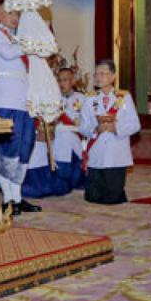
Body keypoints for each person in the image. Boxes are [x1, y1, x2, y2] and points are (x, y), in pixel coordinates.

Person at [0, 6, 41, 214]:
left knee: (25, 147)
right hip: (5, 96)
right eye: (9, 13)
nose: (14, 17)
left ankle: (17, 197)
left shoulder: (19, 38)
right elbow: (7, 54)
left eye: (18, 13)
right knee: (7, 147)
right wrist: (31, 43)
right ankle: (7, 198)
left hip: (25, 97)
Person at [80, 60, 140, 204]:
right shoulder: (89, 99)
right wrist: (95, 129)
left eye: (103, 73)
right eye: (96, 74)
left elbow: (135, 125)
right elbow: (82, 126)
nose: (98, 77)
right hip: (96, 153)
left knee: (113, 199)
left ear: (113, 76)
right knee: (93, 197)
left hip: (116, 153)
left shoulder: (124, 97)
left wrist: (116, 128)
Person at [22, 67, 87, 198]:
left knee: (64, 138)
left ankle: (64, 173)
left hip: (73, 135)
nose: (61, 83)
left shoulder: (81, 98)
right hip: (52, 135)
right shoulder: (52, 99)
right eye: (59, 80)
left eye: (65, 80)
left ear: (73, 81)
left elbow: (84, 122)